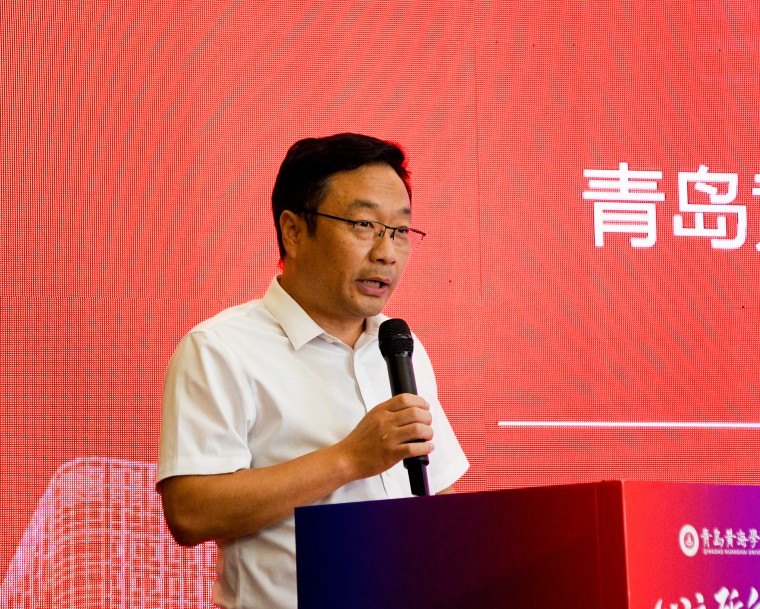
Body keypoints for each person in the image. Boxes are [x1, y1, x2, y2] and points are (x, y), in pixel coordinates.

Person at [156, 133, 469, 609]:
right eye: (365, 224)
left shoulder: (399, 346)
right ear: (294, 230)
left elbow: (437, 494)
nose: (387, 252)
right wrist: (348, 460)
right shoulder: (221, 348)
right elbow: (190, 512)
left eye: (401, 230)